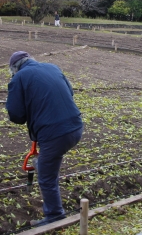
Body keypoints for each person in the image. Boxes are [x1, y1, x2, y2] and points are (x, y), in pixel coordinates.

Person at [6, 51, 84, 226]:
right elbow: (69, 92)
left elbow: (16, 115)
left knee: (46, 177)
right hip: (76, 126)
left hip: (55, 134)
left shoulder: (19, 78)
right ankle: (42, 165)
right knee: (49, 163)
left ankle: (55, 216)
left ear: (14, 69)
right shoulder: (52, 67)